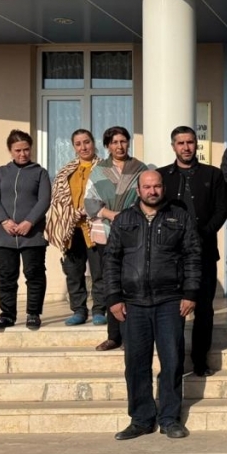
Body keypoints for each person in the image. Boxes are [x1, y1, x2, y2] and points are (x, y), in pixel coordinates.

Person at [103, 171, 201, 441]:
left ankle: (169, 418)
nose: (152, 191)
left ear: (163, 188)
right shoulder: (124, 220)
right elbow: (111, 260)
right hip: (133, 303)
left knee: (172, 361)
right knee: (136, 364)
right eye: (147, 187)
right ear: (138, 190)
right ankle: (141, 419)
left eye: (157, 186)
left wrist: (190, 292)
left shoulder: (179, 217)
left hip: (170, 301)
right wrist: (113, 298)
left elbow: (193, 256)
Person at [159, 126, 227, 377]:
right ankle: (173, 363)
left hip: (204, 252)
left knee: (204, 309)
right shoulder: (162, 176)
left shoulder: (213, 174)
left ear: (196, 144)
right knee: (172, 311)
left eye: (190, 142)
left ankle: (200, 360)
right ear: (173, 146)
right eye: (181, 143)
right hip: (171, 256)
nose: (186, 147)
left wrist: (202, 234)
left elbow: (221, 210)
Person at [85, 126, 149, 351]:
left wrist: (128, 216)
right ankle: (114, 336)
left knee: (132, 281)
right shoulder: (99, 170)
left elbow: (147, 197)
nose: (119, 146)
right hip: (106, 232)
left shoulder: (140, 168)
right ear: (107, 146)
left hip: (134, 232)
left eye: (123, 141)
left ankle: (132, 334)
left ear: (128, 142)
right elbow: (89, 200)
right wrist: (112, 214)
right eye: (114, 142)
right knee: (110, 281)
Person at [0, 130, 51, 332]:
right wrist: (4, 221)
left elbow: (44, 200)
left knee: (34, 274)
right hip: (4, 235)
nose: (23, 154)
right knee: (6, 276)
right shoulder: (0, 172)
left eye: (26, 149)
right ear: (10, 150)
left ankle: (33, 314)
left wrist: (29, 222)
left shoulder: (40, 173)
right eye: (18, 150)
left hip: (32, 235)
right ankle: (7, 315)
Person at [44, 129, 104, 326]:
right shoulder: (66, 171)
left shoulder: (104, 168)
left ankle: (99, 309)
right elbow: (58, 199)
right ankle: (79, 310)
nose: (83, 147)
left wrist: (90, 209)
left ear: (93, 143)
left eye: (86, 142)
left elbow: (108, 195)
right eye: (78, 144)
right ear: (74, 147)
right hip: (71, 228)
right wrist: (70, 213)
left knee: (100, 271)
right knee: (73, 271)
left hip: (95, 225)